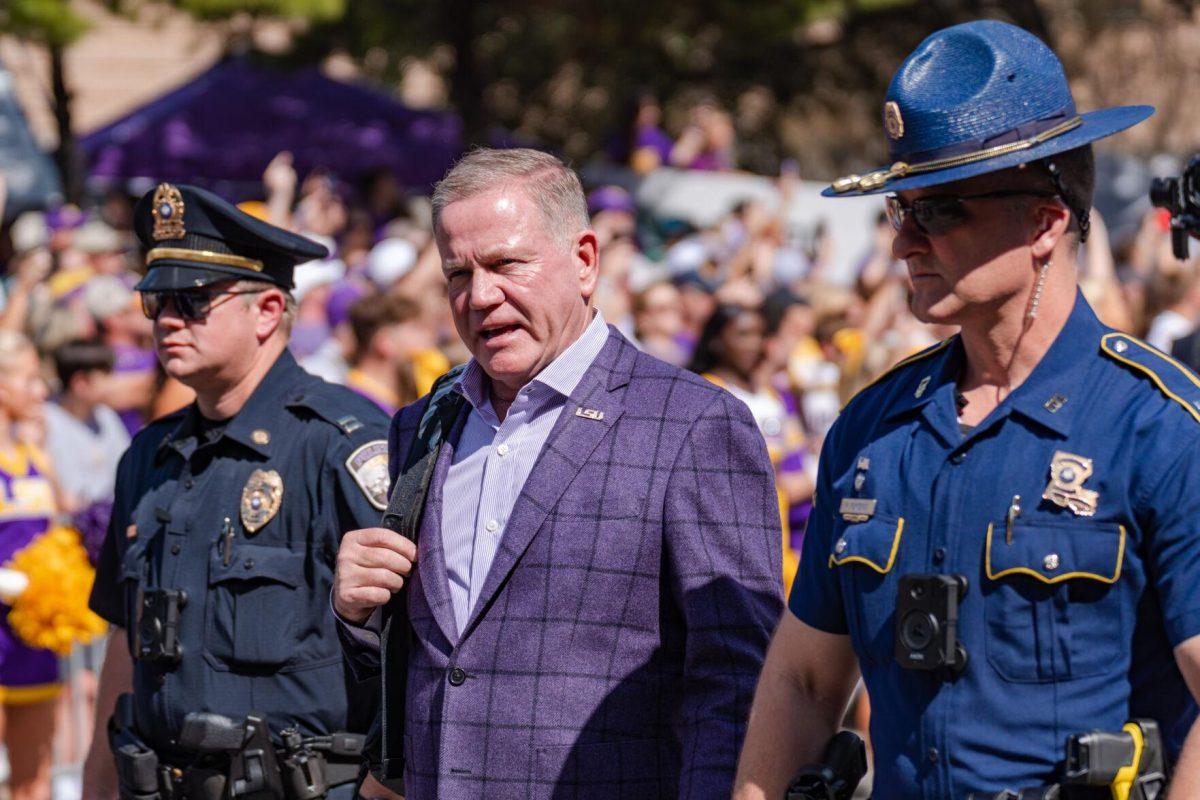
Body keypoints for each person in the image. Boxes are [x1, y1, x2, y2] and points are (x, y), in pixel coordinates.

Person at [735, 20, 1200, 799]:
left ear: (1046, 220)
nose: (905, 243)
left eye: (941, 211)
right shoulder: (872, 430)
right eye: (899, 211)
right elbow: (806, 683)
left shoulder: (1157, 429)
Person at [333, 147, 782, 799]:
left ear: (584, 260)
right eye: (458, 274)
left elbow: (739, 685)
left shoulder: (693, 425)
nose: (481, 296)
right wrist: (359, 610)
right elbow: (431, 670)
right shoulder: (422, 426)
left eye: (506, 264)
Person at [81, 183, 391, 799]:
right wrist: (94, 784)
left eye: (193, 300)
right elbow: (127, 637)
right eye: (158, 300)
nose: (168, 318)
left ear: (269, 310)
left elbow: (411, 647)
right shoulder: (150, 453)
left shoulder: (337, 444)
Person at [0, 330, 57, 800]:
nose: (41, 392)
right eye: (29, 380)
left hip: (35, 637)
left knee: (34, 775)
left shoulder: (36, 457)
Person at [44, 339, 130, 514]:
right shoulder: (47, 421)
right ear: (80, 383)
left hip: (110, 518)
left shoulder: (106, 416)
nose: (113, 384)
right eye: (106, 376)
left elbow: (127, 472)